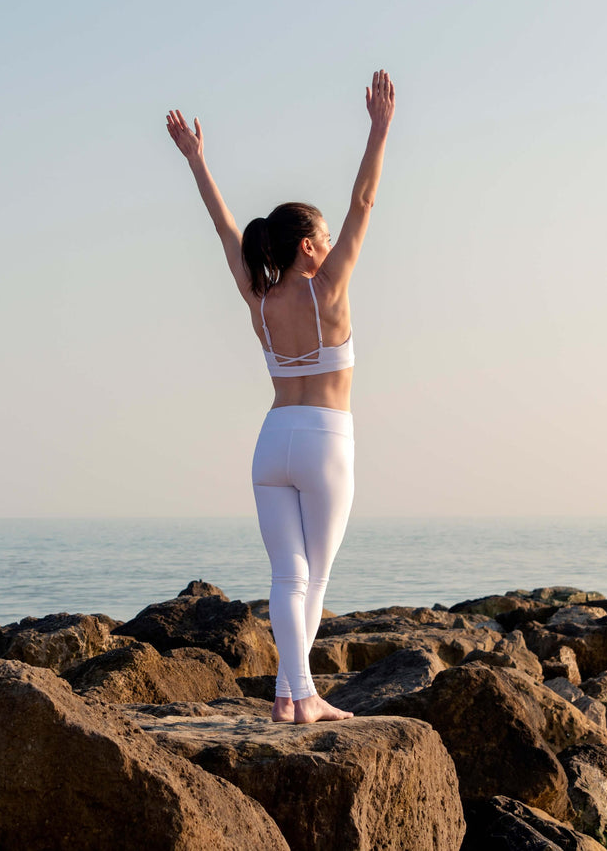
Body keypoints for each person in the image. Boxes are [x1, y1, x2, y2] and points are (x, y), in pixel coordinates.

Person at [165, 70, 395, 724]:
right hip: (325, 441)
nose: (331, 244)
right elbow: (365, 202)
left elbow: (222, 228)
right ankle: (303, 697)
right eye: (323, 238)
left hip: (272, 444)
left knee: (284, 579)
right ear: (309, 248)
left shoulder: (260, 300)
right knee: (310, 581)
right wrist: (379, 129)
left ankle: (289, 697)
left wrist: (196, 160)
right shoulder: (328, 289)